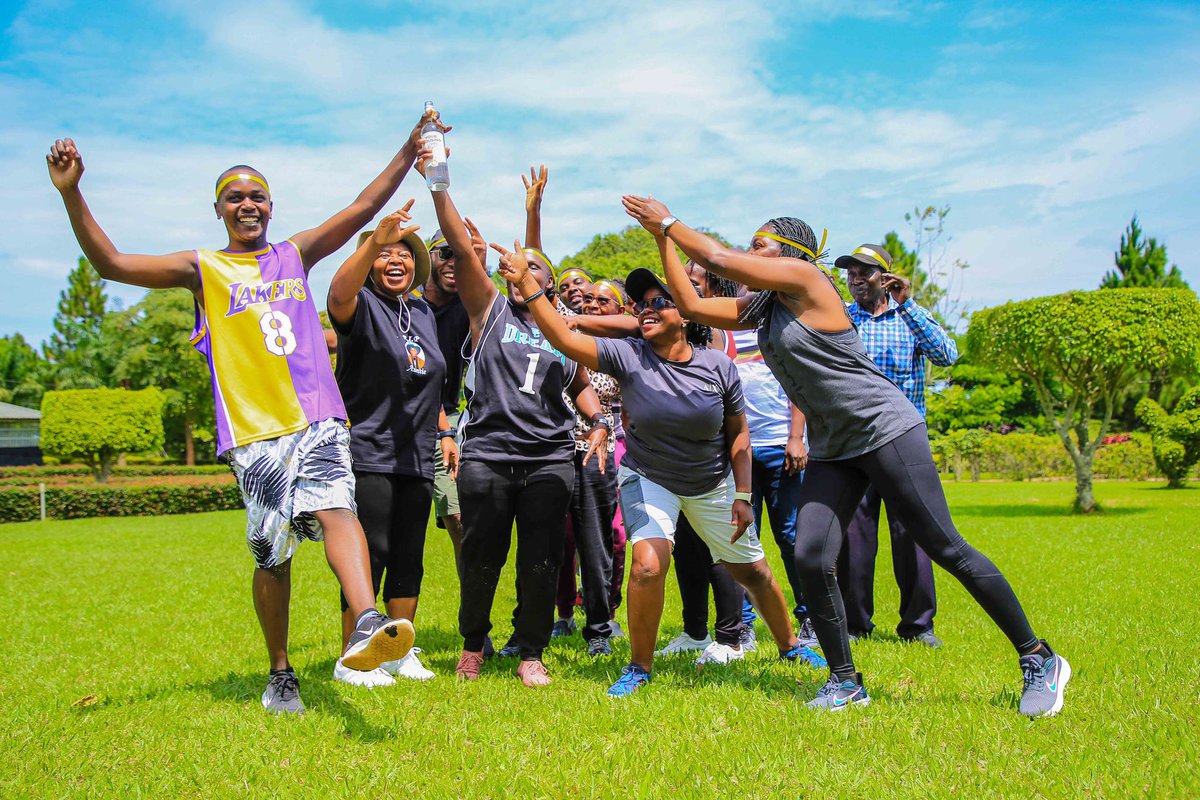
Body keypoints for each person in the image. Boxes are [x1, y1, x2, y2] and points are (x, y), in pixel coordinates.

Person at [45, 116, 438, 714]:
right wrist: (73, 193)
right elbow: (113, 265)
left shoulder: (295, 253)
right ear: (219, 209)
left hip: (317, 417)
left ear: (272, 207)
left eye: (257, 195)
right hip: (254, 433)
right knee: (272, 555)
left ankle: (365, 620)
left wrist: (411, 150)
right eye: (236, 197)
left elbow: (362, 207)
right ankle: (280, 671)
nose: (247, 203)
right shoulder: (202, 268)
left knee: (337, 508)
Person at [622, 196, 1070, 717]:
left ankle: (1039, 658)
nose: (749, 252)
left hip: (883, 429)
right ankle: (845, 680)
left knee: (947, 549)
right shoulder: (765, 306)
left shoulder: (809, 282)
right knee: (812, 555)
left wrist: (671, 222)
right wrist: (661, 241)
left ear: (790, 253)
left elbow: (718, 261)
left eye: (759, 244)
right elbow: (696, 307)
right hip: (833, 445)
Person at [494, 248, 810, 698]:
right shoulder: (628, 356)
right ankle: (640, 667)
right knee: (646, 566)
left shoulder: (717, 366)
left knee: (753, 571)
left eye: (658, 302)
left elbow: (739, 437)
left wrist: (742, 494)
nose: (646, 309)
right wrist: (528, 285)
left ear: (685, 314)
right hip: (648, 477)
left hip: (712, 483)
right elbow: (565, 341)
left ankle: (791, 646)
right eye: (640, 304)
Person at [419, 154, 609, 688]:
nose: (528, 272)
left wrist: (597, 423)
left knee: (542, 561)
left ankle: (531, 650)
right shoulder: (489, 308)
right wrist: (438, 184)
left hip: (549, 457)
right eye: (523, 268)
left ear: (547, 283)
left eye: (539, 271)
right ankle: (473, 643)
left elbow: (579, 387)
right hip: (489, 455)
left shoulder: (566, 333)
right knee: (482, 556)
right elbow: (460, 245)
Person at [327, 204, 460, 683]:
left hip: (418, 452)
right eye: (384, 254)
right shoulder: (359, 305)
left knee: (409, 554)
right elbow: (337, 293)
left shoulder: (422, 311)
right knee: (374, 552)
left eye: (403, 253)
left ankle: (400, 650)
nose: (395, 260)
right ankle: (352, 654)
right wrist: (370, 242)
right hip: (369, 449)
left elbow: (428, 377)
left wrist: (444, 429)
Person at [836, 244, 958, 647]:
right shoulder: (842, 320)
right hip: (856, 440)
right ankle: (855, 624)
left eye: (864, 272)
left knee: (914, 533)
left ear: (886, 278)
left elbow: (947, 355)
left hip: (905, 440)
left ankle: (919, 626)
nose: (855, 280)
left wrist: (908, 305)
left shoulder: (908, 317)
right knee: (855, 536)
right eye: (850, 273)